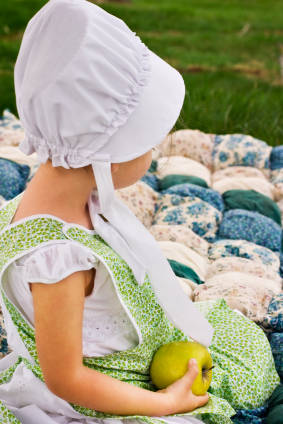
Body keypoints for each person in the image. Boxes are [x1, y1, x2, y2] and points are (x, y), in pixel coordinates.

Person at [0, 0, 279, 423]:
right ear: (106, 153)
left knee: (239, 339)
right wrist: (163, 404)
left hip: (129, 353)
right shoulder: (57, 258)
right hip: (100, 392)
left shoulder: (50, 199)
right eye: (147, 141)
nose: (153, 152)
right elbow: (66, 378)